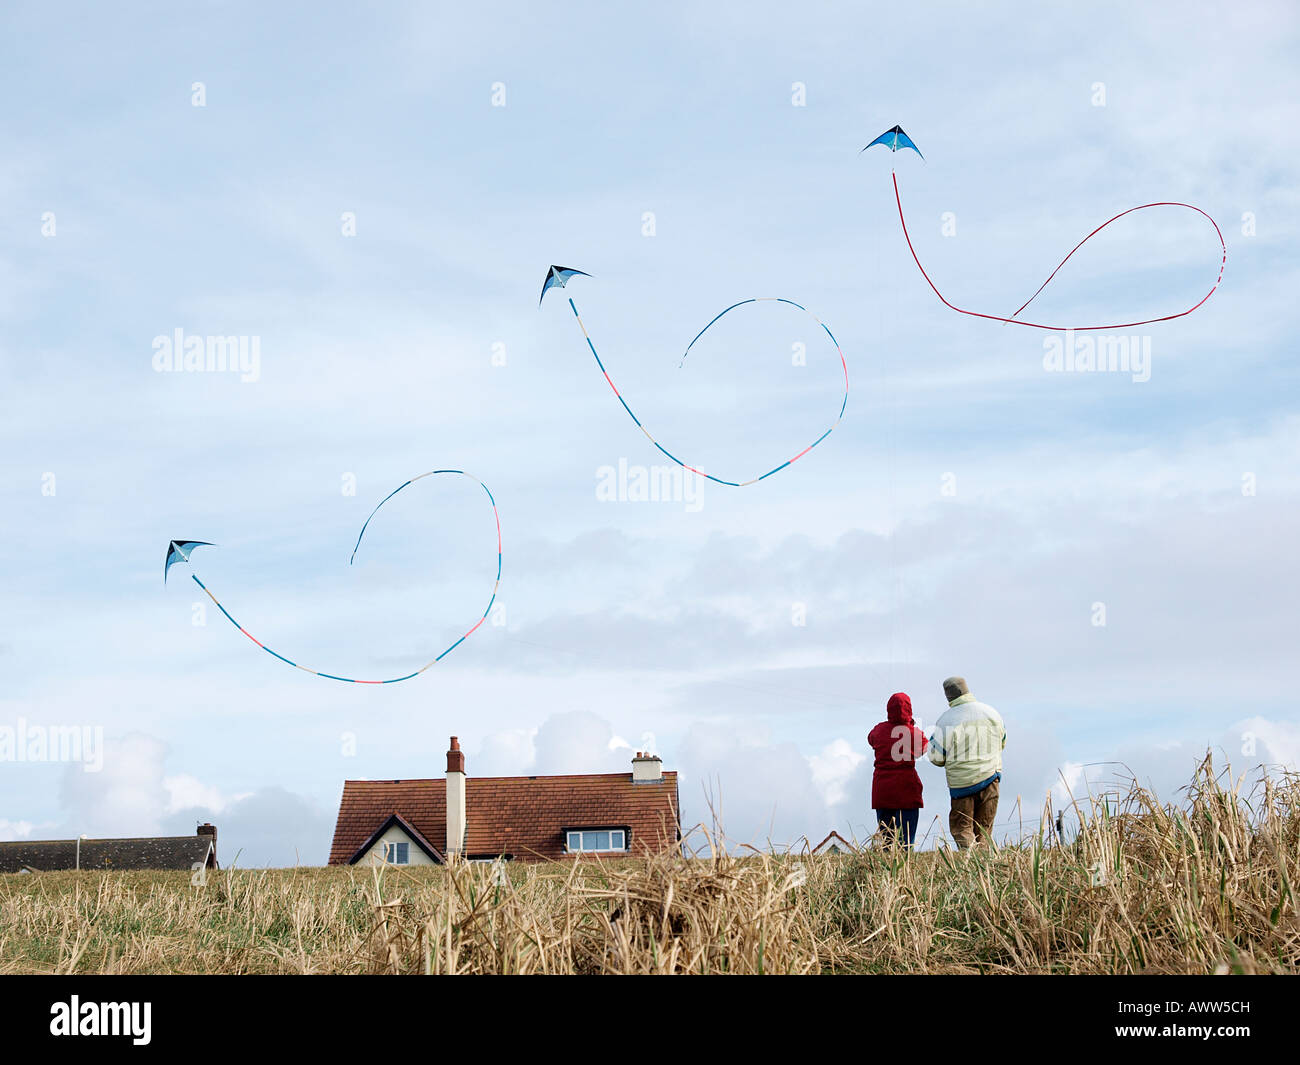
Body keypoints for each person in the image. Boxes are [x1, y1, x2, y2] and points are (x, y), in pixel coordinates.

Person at [927, 676, 1005, 849]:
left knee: (962, 828)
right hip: (991, 777)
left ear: (948, 696)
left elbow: (935, 757)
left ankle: (970, 865)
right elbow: (1002, 741)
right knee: (984, 829)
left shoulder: (945, 720)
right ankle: (986, 869)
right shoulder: (991, 712)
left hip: (962, 786)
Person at [867, 692, 927, 849]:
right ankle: (905, 868)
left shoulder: (879, 730)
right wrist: (910, 724)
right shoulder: (914, 733)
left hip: (883, 789)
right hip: (907, 787)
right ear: (909, 709)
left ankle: (885, 870)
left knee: (886, 841)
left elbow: (871, 739)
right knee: (905, 842)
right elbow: (925, 747)